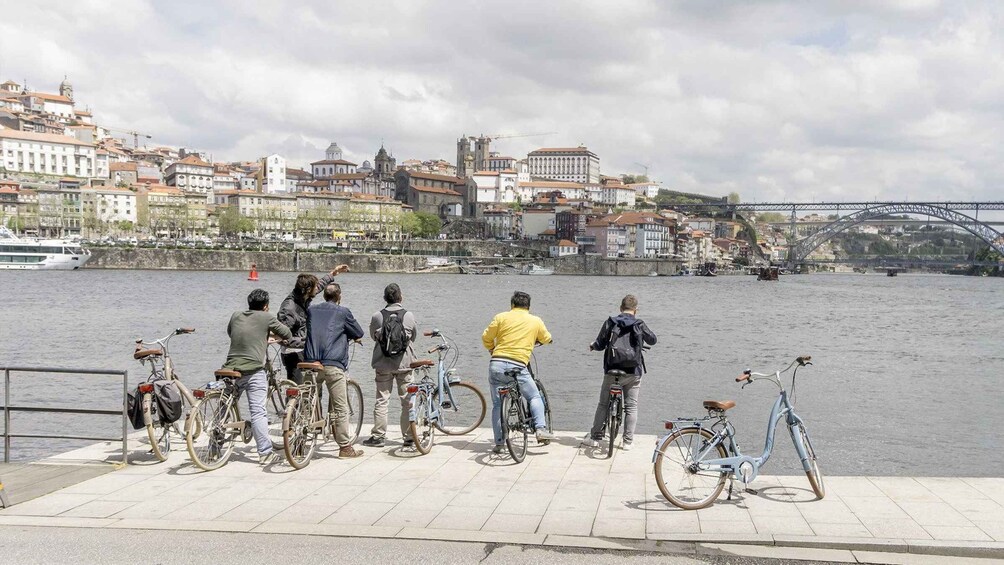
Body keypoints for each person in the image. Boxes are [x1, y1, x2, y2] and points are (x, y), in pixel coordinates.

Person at [221, 288, 293, 465]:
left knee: (224, 408)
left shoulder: (236, 315)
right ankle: (265, 453)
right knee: (258, 412)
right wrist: (268, 335)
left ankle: (214, 448)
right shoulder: (266, 317)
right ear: (266, 306)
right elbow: (287, 334)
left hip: (230, 368)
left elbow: (232, 333)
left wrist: (259, 336)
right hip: (253, 370)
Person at [482, 291, 556, 454]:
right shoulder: (535, 320)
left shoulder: (501, 317)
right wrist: (546, 340)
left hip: (497, 363)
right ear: (528, 307)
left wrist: (491, 348)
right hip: (518, 364)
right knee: (534, 396)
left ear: (512, 305)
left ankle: (500, 443)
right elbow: (546, 338)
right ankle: (540, 429)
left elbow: (486, 336)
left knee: (497, 405)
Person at [584, 294, 657, 451]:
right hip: (633, 372)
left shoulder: (611, 322)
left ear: (620, 308)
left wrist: (593, 345)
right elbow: (653, 340)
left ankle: (596, 438)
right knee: (631, 406)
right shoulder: (639, 323)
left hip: (612, 370)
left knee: (603, 404)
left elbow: (600, 343)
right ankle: (627, 442)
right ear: (636, 310)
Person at [304, 282, 365, 458]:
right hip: (332, 363)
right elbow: (358, 332)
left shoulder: (312, 310)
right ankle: (345, 447)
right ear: (339, 296)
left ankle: (300, 438)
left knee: (307, 400)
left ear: (324, 296)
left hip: (310, 363)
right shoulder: (343, 312)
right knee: (340, 407)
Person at [362, 283, 418, 448]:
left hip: (383, 364)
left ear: (385, 298)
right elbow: (413, 337)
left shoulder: (377, 316)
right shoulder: (408, 315)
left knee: (382, 399)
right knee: (407, 401)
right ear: (401, 297)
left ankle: (378, 437)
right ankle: (408, 437)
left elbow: (374, 336)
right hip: (405, 363)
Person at [277, 265, 349, 385]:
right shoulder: (289, 308)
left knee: (312, 388)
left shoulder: (304, 297)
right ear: (307, 289)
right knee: (296, 390)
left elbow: (320, 285)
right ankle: (291, 404)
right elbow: (282, 337)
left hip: (305, 351)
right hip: (293, 353)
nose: (318, 289)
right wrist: (306, 341)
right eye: (314, 287)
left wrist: (333, 273)